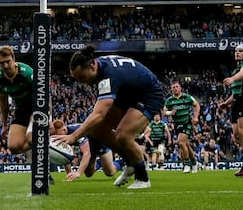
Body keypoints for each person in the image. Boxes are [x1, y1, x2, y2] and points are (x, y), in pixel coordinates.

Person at [53, 45, 165, 190]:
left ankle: (142, 178)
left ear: (93, 66)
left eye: (82, 77)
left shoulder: (108, 76)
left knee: (123, 135)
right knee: (98, 131)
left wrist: (73, 136)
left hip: (149, 95)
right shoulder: (97, 67)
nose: (81, 82)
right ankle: (130, 163)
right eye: (77, 78)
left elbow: (99, 114)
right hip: (128, 94)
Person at [218, 43, 243, 177]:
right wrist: (226, 103)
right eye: (236, 51)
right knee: (236, 134)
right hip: (236, 101)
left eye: (240, 51)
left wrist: (232, 78)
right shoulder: (236, 69)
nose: (237, 53)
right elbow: (235, 92)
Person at [0, 46, 33, 156]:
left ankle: (46, 140)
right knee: (13, 147)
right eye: (1, 63)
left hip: (37, 108)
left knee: (31, 138)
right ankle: (47, 141)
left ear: (13, 58)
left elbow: (44, 94)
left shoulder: (27, 73)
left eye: (7, 61)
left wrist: (48, 114)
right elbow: (3, 101)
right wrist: (4, 124)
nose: (5, 66)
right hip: (21, 110)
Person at [51, 118, 117, 181]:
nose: (58, 137)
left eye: (59, 134)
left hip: (100, 143)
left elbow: (86, 153)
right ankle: (97, 164)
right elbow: (65, 156)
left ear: (64, 130)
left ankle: (118, 164)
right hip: (89, 147)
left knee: (109, 172)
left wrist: (78, 173)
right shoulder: (64, 135)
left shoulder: (75, 131)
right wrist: (69, 175)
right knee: (89, 174)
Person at [163, 80, 200, 173]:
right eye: (173, 87)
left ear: (180, 88)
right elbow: (164, 112)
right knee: (186, 144)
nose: (175, 89)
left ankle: (187, 164)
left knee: (180, 142)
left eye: (177, 87)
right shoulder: (169, 100)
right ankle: (195, 163)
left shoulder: (187, 97)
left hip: (187, 123)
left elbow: (197, 105)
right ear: (171, 89)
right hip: (177, 125)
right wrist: (170, 113)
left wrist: (195, 117)